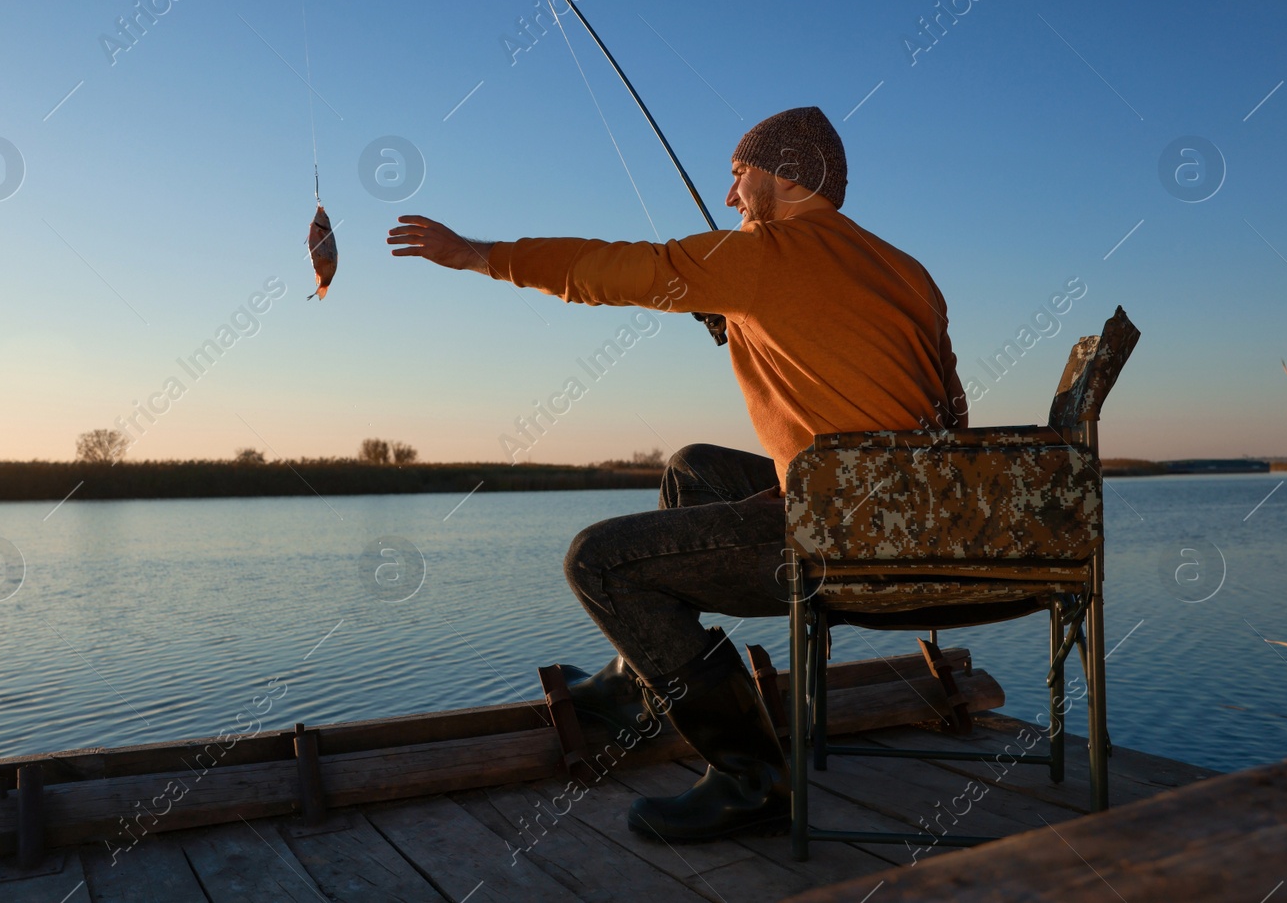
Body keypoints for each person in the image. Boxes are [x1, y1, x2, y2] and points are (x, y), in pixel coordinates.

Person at [386, 106, 966, 842]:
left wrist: (479, 254)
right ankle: (636, 680)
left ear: (787, 176)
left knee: (599, 562)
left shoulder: (762, 255)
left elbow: (616, 269)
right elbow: (950, 418)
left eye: (738, 175)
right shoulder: (907, 270)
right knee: (694, 467)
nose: (730, 197)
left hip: (848, 544)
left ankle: (754, 778)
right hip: (919, 521)